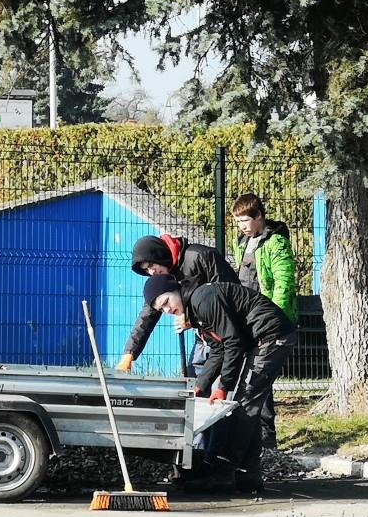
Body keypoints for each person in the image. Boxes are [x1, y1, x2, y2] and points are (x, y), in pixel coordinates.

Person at [144, 275, 297, 492]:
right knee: (246, 405)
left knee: (245, 404)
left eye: (167, 302)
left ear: (176, 289)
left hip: (271, 336)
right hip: (262, 338)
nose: (167, 310)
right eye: (161, 309)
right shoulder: (196, 308)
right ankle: (246, 474)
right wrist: (200, 385)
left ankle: (224, 472)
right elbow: (217, 349)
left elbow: (233, 342)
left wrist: (223, 387)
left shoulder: (203, 300)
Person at [230, 194, 298, 447]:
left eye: (246, 221)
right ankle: (256, 433)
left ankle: (267, 436)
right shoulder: (242, 243)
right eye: (238, 222)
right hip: (248, 318)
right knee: (253, 375)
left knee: (261, 374)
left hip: (268, 319)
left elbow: (283, 281)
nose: (242, 227)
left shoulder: (276, 242)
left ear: (259, 216)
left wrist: (275, 316)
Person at [116, 234, 237, 374]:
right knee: (195, 380)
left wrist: (193, 317)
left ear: (158, 254)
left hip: (230, 333)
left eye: (151, 265)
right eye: (146, 270)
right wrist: (129, 353)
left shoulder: (200, 256)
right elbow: (146, 316)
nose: (151, 272)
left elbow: (228, 293)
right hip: (205, 336)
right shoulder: (160, 279)